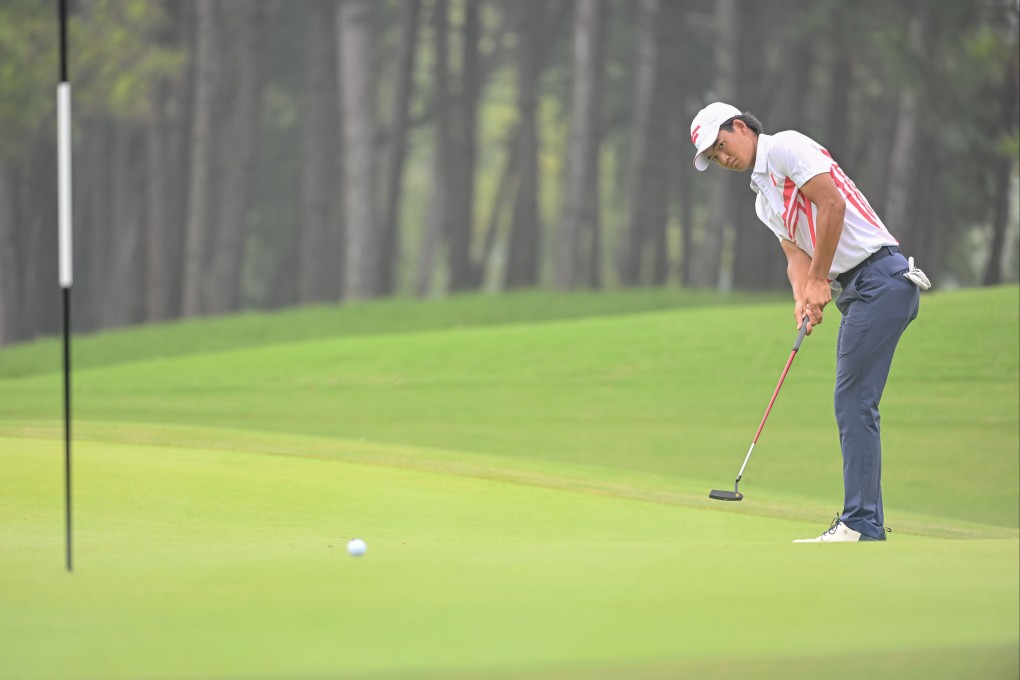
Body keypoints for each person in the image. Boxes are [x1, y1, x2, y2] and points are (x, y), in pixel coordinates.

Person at [690, 102, 927, 542]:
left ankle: (860, 523)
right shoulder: (763, 199)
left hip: (880, 277)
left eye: (722, 146)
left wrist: (820, 279)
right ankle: (865, 521)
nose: (724, 159)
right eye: (715, 157)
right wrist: (803, 295)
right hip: (858, 293)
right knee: (853, 399)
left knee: (853, 400)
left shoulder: (785, 148)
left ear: (740, 127)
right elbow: (794, 256)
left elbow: (831, 206)